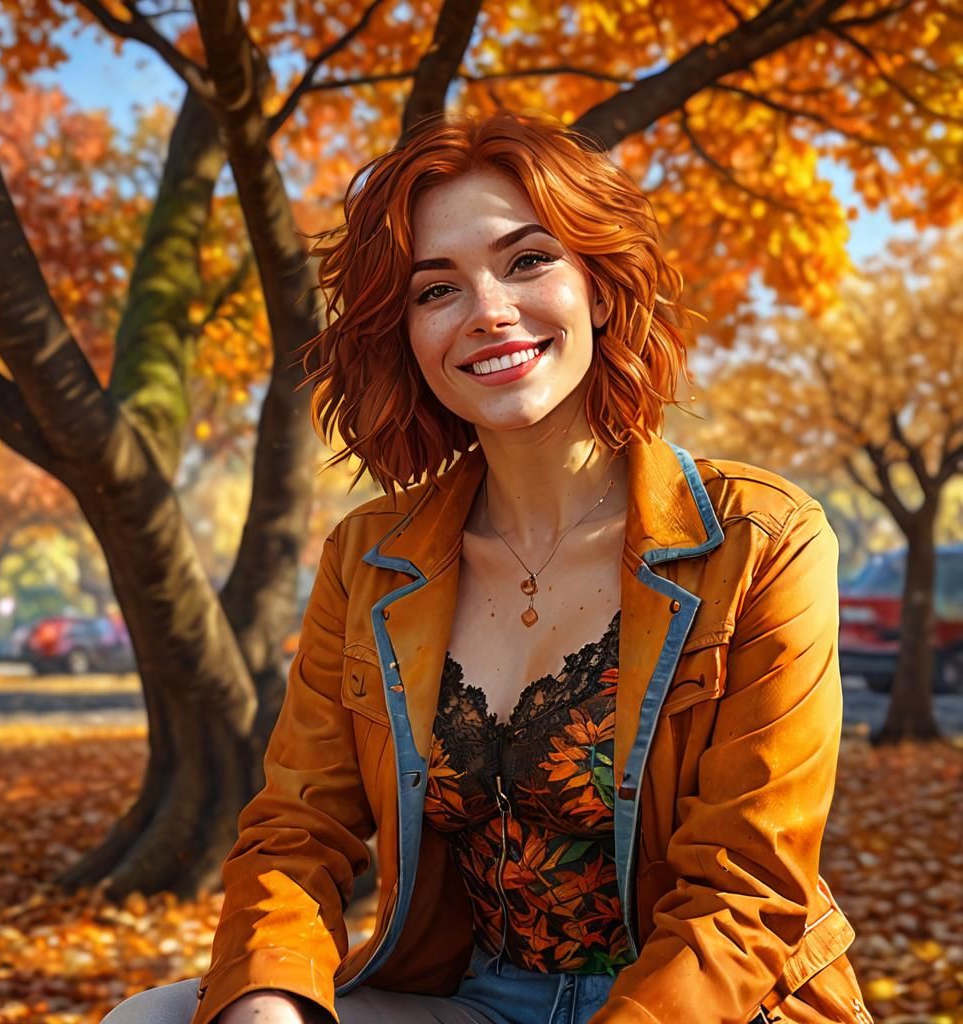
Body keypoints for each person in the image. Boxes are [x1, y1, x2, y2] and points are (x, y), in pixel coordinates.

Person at [103, 112, 872, 1024]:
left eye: (527, 261)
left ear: (599, 284)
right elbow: (294, 833)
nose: (488, 311)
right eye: (437, 290)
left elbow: (747, 893)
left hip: (712, 1005)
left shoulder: (761, 539)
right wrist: (267, 997)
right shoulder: (371, 559)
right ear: (408, 335)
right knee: (147, 1023)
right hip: (479, 1003)